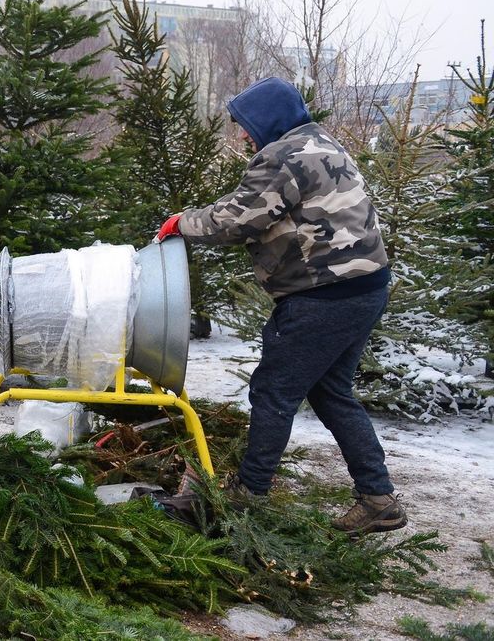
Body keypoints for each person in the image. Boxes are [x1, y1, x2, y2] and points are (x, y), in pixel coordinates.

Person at [156, 76, 406, 537]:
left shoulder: (282, 155)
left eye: (246, 126)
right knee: (331, 392)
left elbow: (240, 218)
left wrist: (181, 223)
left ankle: (248, 496)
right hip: (366, 287)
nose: (244, 136)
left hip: (323, 295)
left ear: (266, 119)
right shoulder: (322, 142)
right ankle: (377, 498)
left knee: (273, 392)